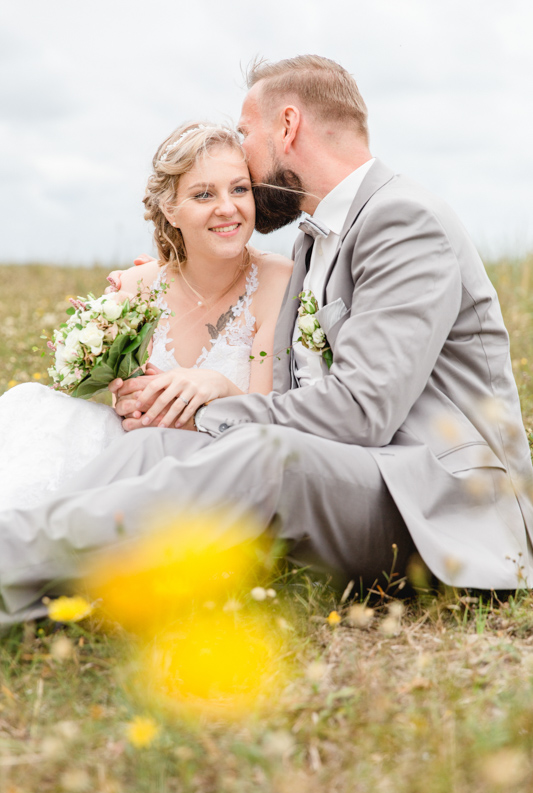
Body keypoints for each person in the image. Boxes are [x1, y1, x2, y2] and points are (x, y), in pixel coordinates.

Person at [0, 55, 532, 625]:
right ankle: (39, 594)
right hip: (358, 470)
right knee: (148, 446)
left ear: (287, 125)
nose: (246, 159)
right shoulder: (313, 239)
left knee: (259, 456)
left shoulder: (403, 219)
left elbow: (363, 409)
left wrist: (212, 411)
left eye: (246, 132)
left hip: (441, 498)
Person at [0, 122, 291, 516]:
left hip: (220, 468)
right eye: (204, 194)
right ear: (171, 209)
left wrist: (218, 386)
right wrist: (127, 397)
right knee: (32, 403)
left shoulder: (278, 281)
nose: (228, 207)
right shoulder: (136, 286)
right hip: (134, 450)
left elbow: (271, 422)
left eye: (239, 189)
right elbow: (114, 392)